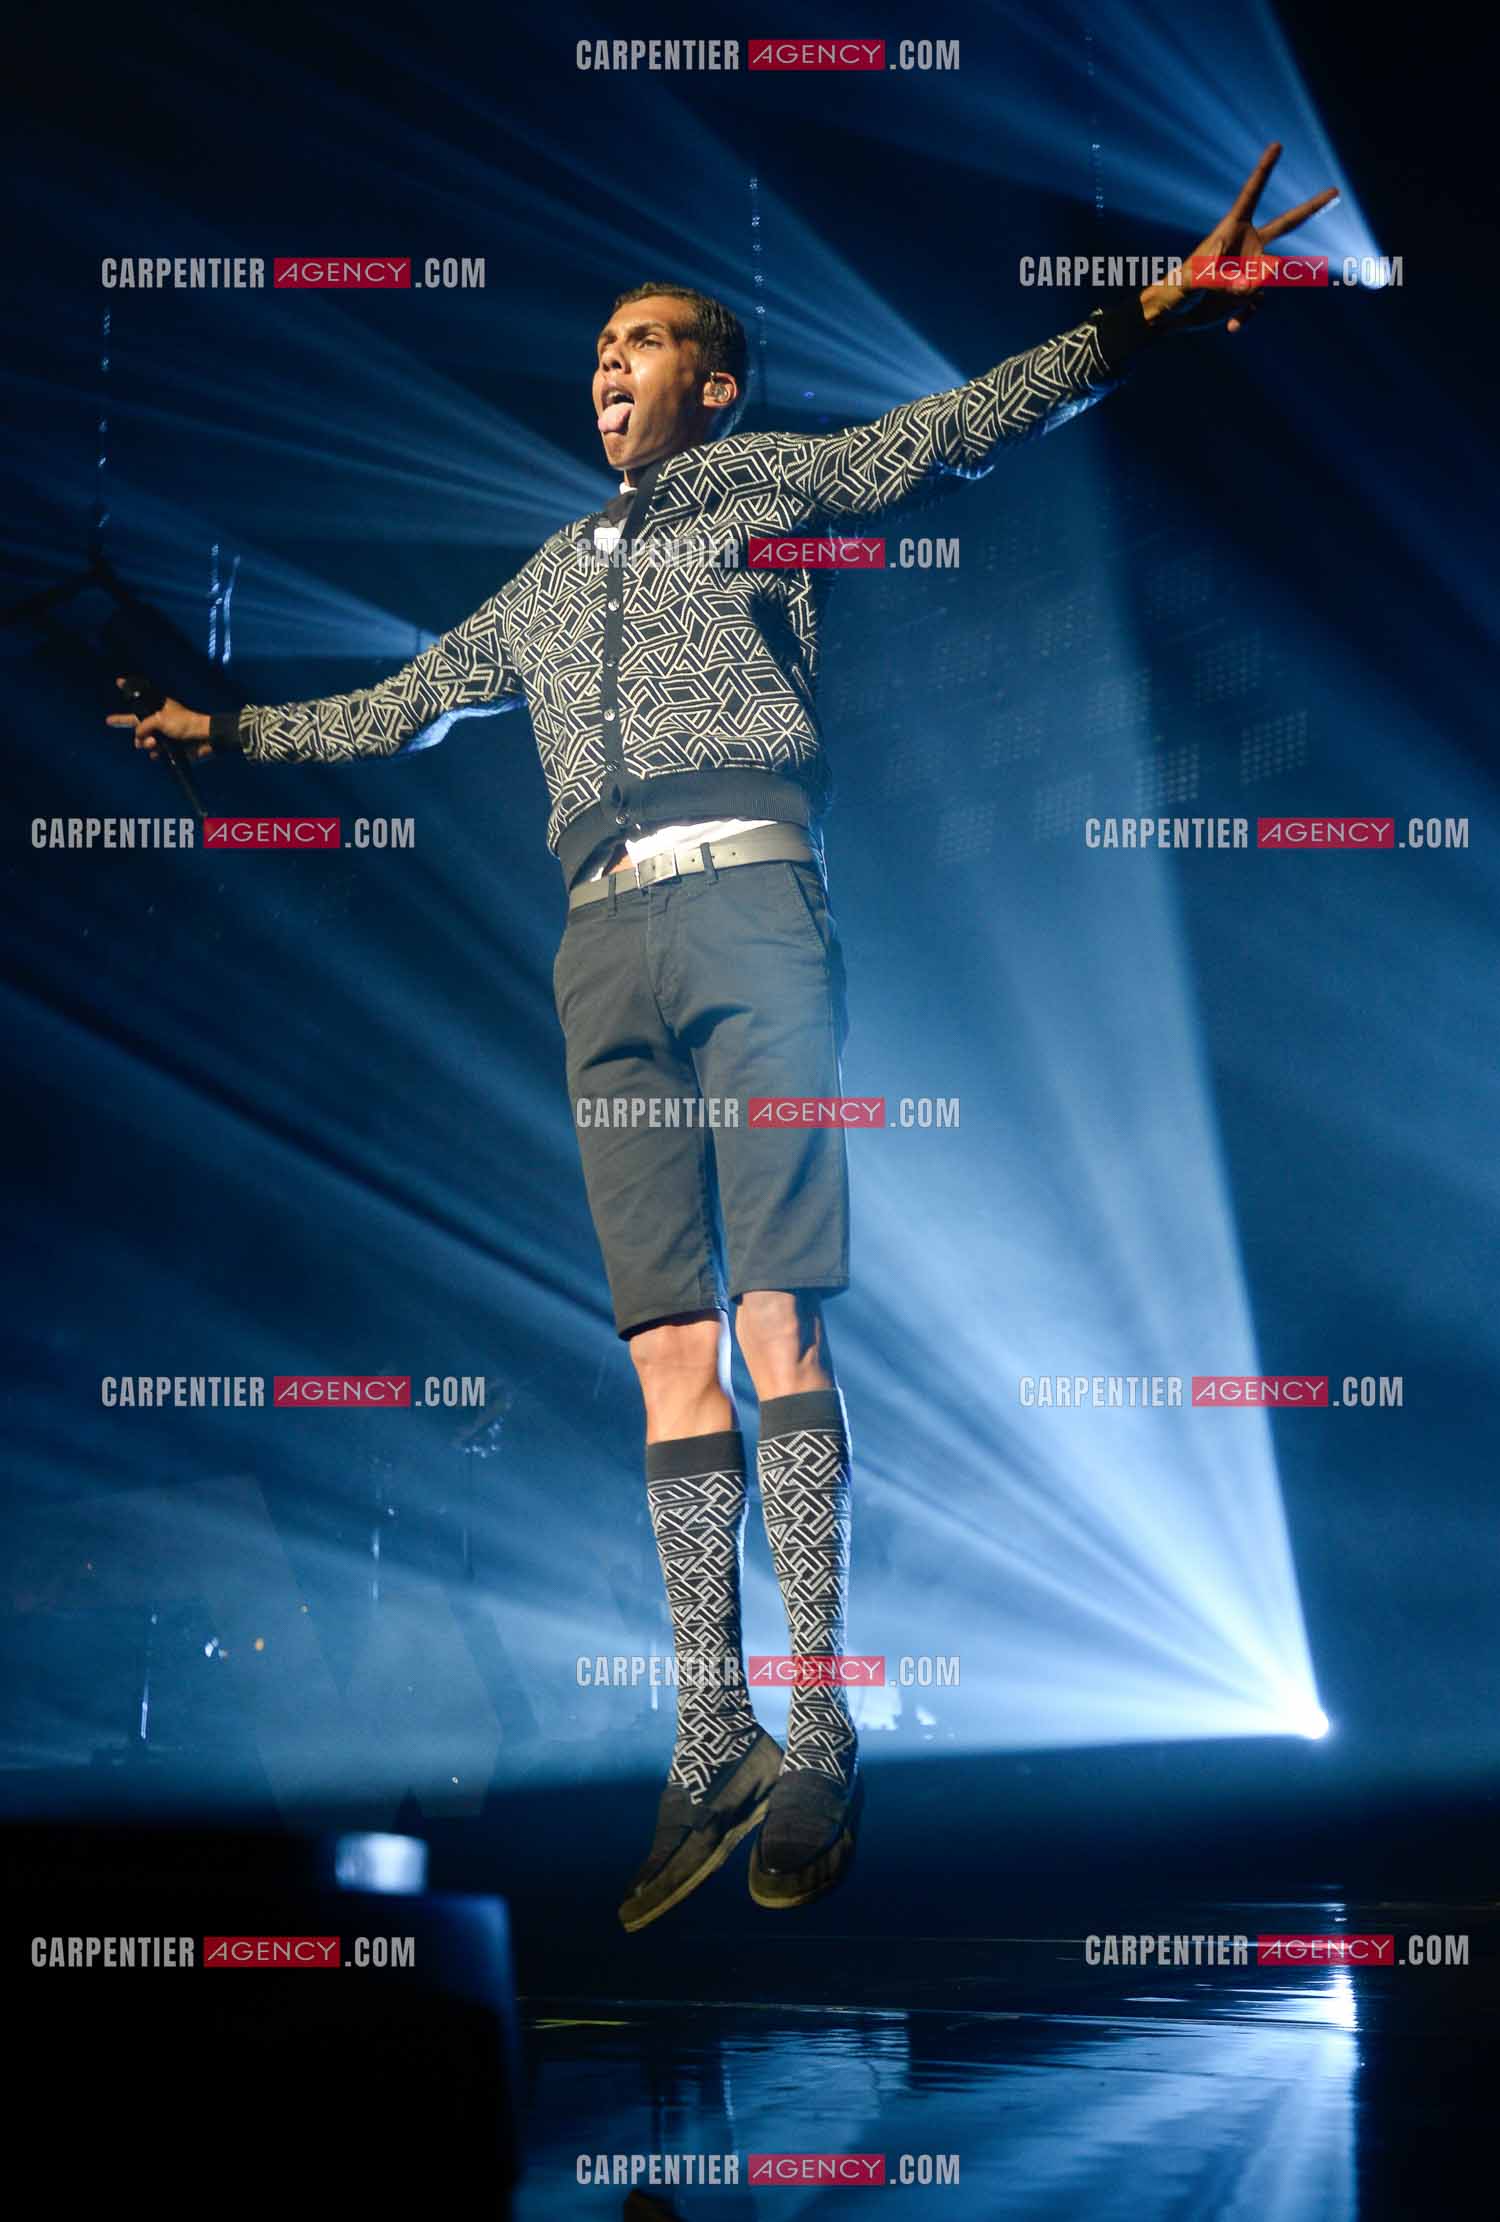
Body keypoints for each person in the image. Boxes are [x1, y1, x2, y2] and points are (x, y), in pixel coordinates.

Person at [111, 143, 1337, 1929]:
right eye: (598, 347)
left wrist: (1148, 310)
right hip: (597, 946)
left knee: (776, 1317)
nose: (609, 368)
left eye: (644, 342)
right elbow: (398, 702)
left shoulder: (769, 480)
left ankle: (822, 1718)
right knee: (662, 1350)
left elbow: (961, 424)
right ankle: (714, 1734)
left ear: (716, 378)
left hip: (755, 908)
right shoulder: (542, 580)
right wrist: (219, 738)